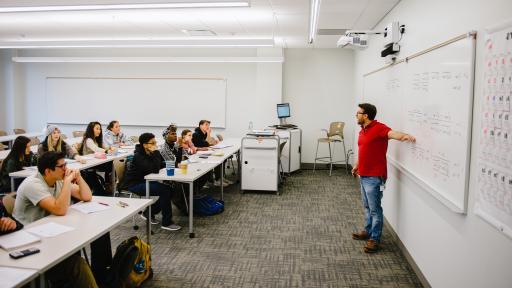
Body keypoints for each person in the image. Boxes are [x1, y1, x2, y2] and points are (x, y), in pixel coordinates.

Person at [12, 151, 111, 287]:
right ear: (48, 171)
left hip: (51, 228)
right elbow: (60, 210)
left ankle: (101, 278)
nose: (66, 169)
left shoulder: (57, 179)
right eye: (62, 166)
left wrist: (79, 178)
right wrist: (67, 182)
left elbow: (87, 196)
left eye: (65, 164)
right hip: (30, 237)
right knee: (76, 262)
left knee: (100, 233)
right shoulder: (33, 184)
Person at [351, 103, 416, 253]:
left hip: (375, 177)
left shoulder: (379, 128)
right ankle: (367, 231)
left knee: (375, 209)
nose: (356, 115)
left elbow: (392, 134)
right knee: (367, 207)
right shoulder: (363, 131)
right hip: (364, 174)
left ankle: (375, 239)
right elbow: (364, 151)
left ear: (366, 115)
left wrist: (404, 136)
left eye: (358, 113)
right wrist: (357, 165)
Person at [124, 132, 181, 231]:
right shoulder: (138, 156)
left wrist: (175, 165)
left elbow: (159, 164)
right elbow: (154, 169)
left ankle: (148, 213)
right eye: (152, 143)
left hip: (147, 181)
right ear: (145, 145)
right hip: (135, 184)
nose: (155, 145)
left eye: (155, 142)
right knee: (165, 190)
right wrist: (156, 152)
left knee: (170, 189)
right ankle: (166, 223)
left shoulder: (149, 152)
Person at [78, 121, 115, 194]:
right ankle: (108, 184)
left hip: (95, 162)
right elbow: (96, 149)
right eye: (97, 129)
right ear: (91, 130)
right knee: (109, 164)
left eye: (100, 129)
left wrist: (111, 148)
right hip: (88, 164)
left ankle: (109, 183)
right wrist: (107, 151)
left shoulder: (97, 139)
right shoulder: (88, 139)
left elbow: (105, 147)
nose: (99, 131)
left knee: (111, 163)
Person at [192, 120, 231, 187]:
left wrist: (213, 141)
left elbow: (209, 142)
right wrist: (209, 134)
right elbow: (204, 144)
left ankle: (219, 178)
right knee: (218, 160)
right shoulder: (196, 134)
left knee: (223, 159)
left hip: (205, 152)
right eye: (206, 125)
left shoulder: (203, 132)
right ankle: (216, 180)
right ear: (201, 125)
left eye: (208, 125)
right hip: (198, 155)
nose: (208, 126)